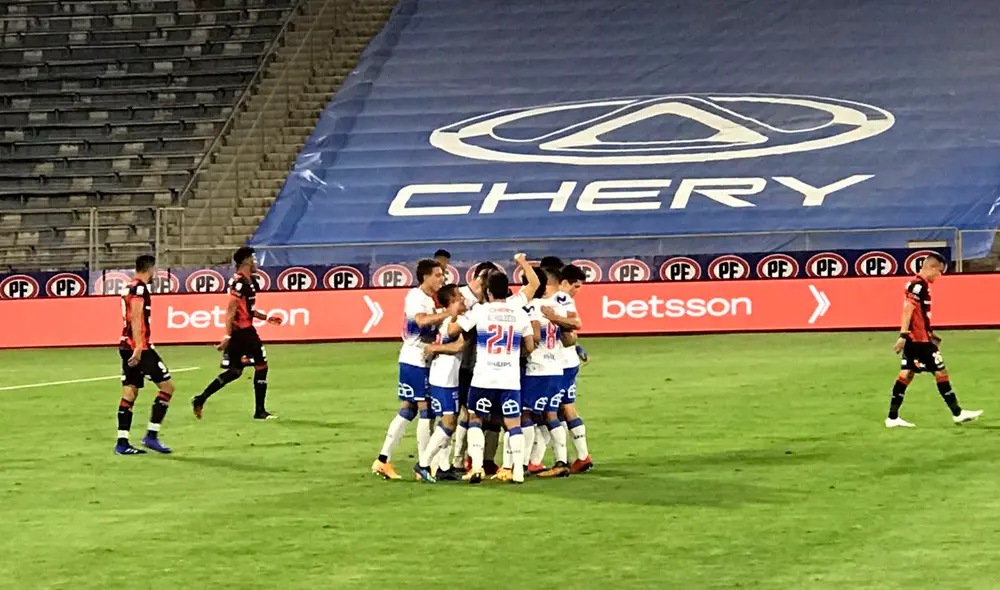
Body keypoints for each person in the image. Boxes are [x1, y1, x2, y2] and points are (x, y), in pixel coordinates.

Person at [450, 271, 535, 484]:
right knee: (513, 423)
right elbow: (530, 346)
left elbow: (453, 331)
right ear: (507, 290)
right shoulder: (519, 313)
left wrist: (453, 315)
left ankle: (477, 467)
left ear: (487, 291)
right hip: (510, 378)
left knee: (476, 419)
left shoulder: (480, 310)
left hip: (483, 377)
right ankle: (517, 471)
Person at [371, 259, 448, 480]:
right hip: (416, 360)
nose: (441, 279)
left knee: (409, 409)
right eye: (437, 275)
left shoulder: (429, 298)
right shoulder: (416, 297)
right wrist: (447, 313)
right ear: (425, 277)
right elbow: (422, 321)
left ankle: (383, 460)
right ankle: (424, 465)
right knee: (426, 410)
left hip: (417, 360)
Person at [886, 253, 982, 427]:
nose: (940, 276)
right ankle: (957, 413)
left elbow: (919, 314)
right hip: (919, 341)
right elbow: (908, 309)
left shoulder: (917, 285)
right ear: (931, 267)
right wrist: (903, 335)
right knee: (940, 372)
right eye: (939, 272)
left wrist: (931, 332)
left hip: (919, 338)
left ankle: (892, 418)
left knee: (907, 373)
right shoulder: (918, 286)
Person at [191, 246, 283, 421]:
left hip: (241, 331)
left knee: (234, 371)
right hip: (243, 332)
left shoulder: (248, 282)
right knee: (262, 366)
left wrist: (267, 318)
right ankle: (260, 411)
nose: (255, 262)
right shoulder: (240, 282)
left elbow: (247, 310)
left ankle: (200, 398)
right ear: (246, 261)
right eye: (253, 259)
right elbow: (231, 310)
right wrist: (227, 336)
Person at [115, 254, 175, 455]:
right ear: (150, 269)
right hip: (139, 347)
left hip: (125, 345)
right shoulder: (140, 288)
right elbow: (135, 318)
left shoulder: (128, 287)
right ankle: (151, 436)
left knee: (130, 392)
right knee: (167, 387)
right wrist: (139, 347)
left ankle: (122, 442)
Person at [539, 264, 592, 476]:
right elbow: (571, 334)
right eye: (575, 286)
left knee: (549, 410)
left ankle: (550, 461)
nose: (575, 292)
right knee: (565, 408)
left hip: (558, 364)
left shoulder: (558, 300)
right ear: (561, 282)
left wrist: (554, 318)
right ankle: (582, 456)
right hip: (566, 363)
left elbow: (572, 331)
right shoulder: (562, 299)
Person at [413, 284, 466, 483]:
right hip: (445, 377)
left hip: (442, 374)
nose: (463, 298)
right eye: (460, 296)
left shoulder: (444, 319)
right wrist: (437, 348)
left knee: (448, 420)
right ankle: (424, 464)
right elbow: (459, 346)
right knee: (449, 420)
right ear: (452, 301)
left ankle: (444, 467)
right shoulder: (454, 320)